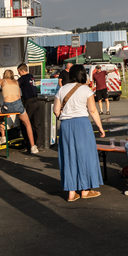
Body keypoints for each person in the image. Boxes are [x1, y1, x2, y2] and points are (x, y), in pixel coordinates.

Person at [54, 64, 105, 202]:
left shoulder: (62, 89)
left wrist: (64, 117)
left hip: (65, 126)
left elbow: (56, 110)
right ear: (83, 74)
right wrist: (100, 127)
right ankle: (85, 190)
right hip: (82, 124)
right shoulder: (86, 90)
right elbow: (93, 110)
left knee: (68, 156)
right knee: (86, 155)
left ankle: (71, 193)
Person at [0, 71, 38, 153]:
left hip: (7, 107)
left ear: (4, 75)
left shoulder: (3, 81)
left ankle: (3, 137)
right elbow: (19, 97)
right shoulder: (17, 82)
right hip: (18, 106)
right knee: (28, 124)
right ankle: (33, 147)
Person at [17, 63, 43, 150]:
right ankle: (39, 144)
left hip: (29, 102)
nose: (19, 74)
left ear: (22, 71)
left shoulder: (23, 78)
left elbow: (16, 84)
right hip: (36, 101)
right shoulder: (31, 76)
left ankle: (28, 144)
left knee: (25, 123)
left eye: (19, 72)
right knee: (36, 124)